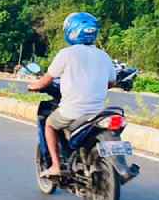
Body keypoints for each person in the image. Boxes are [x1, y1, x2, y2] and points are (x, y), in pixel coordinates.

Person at [28, 12, 115, 178]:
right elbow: (110, 82)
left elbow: (45, 81)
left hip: (73, 111)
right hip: (97, 112)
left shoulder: (67, 54)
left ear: (72, 31)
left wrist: (33, 86)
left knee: (50, 124)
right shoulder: (104, 56)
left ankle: (55, 166)